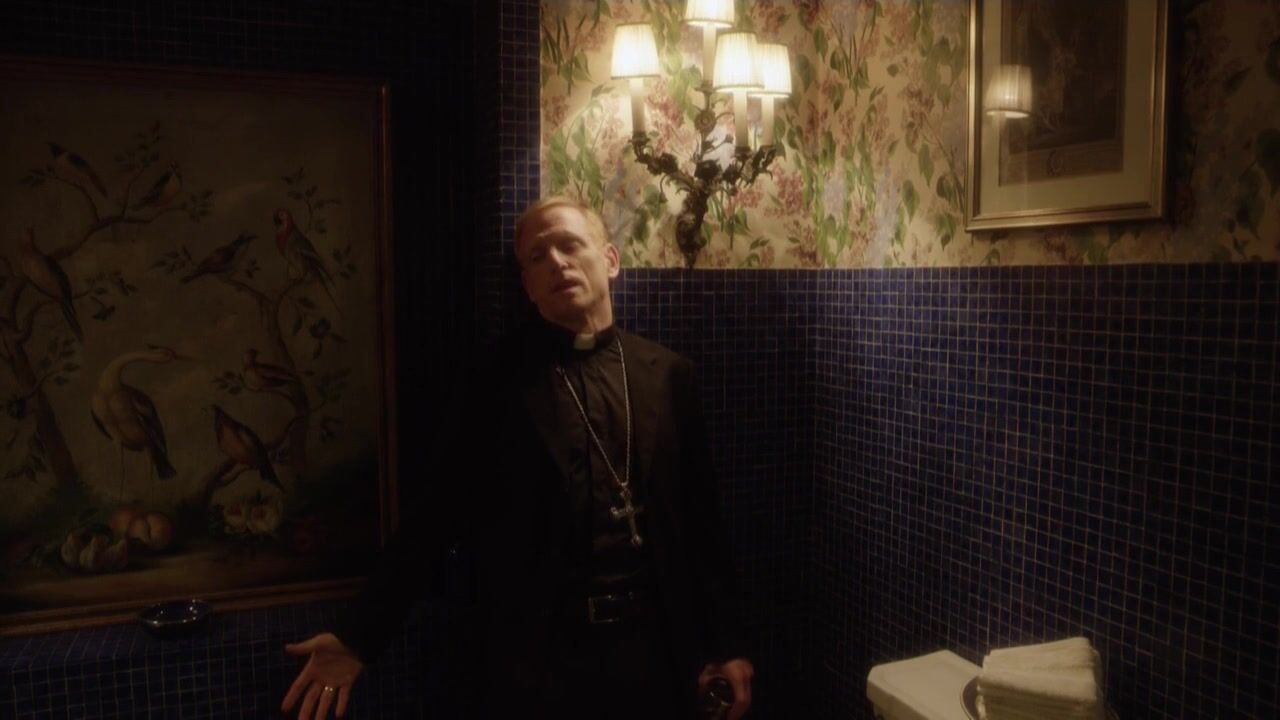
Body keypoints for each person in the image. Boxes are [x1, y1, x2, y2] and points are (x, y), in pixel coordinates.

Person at [281, 196, 754, 719]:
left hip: (656, 654)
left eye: (570, 244)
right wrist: (358, 638)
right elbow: (433, 517)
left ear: (611, 260)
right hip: (543, 664)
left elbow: (703, 523)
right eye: (537, 256)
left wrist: (726, 644)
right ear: (528, 286)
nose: (556, 262)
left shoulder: (667, 375)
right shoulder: (494, 382)